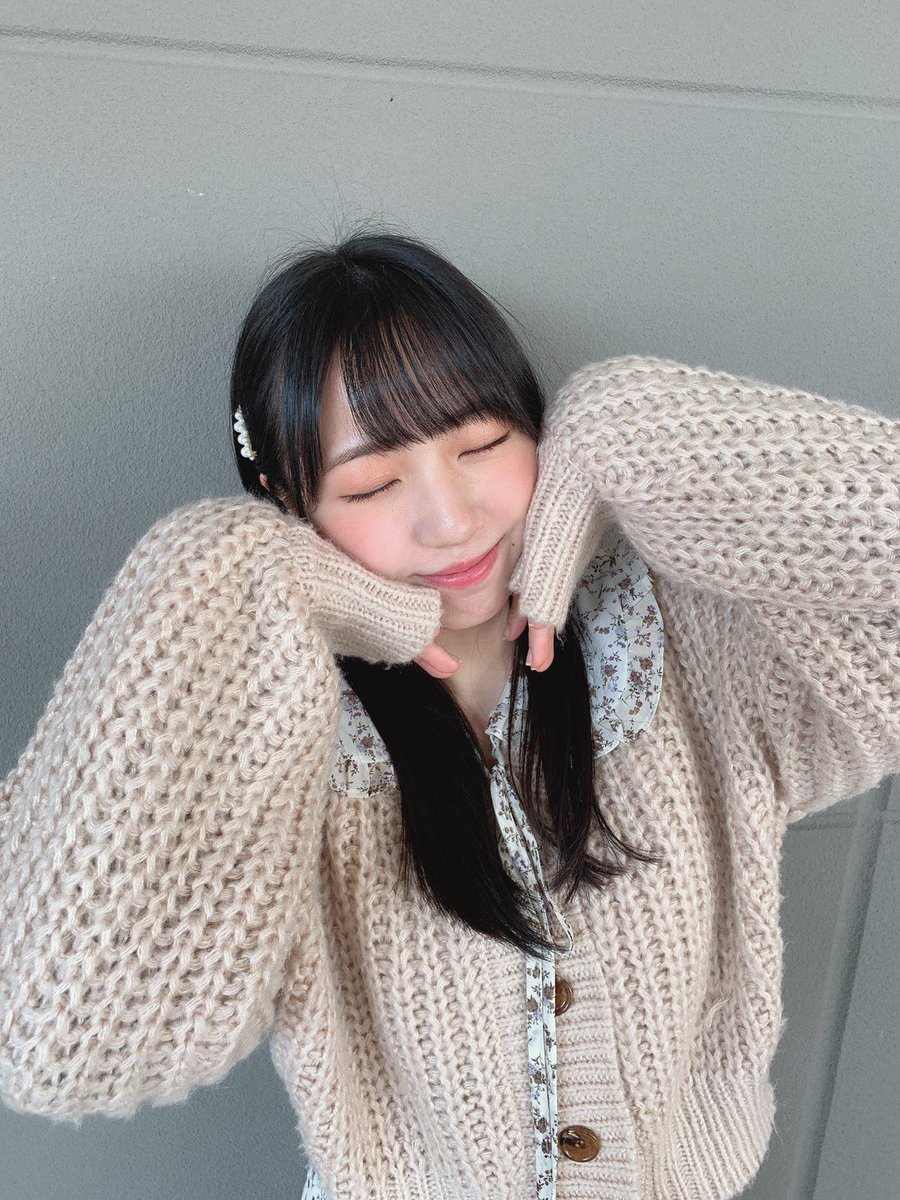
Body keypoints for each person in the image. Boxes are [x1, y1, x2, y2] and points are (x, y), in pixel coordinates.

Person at [1, 226, 897, 1200]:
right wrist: (225, 574)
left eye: (483, 444)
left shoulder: (686, 646)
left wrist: (627, 424)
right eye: (371, 483)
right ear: (288, 502)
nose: (451, 519)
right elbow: (55, 1046)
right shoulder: (275, 724)